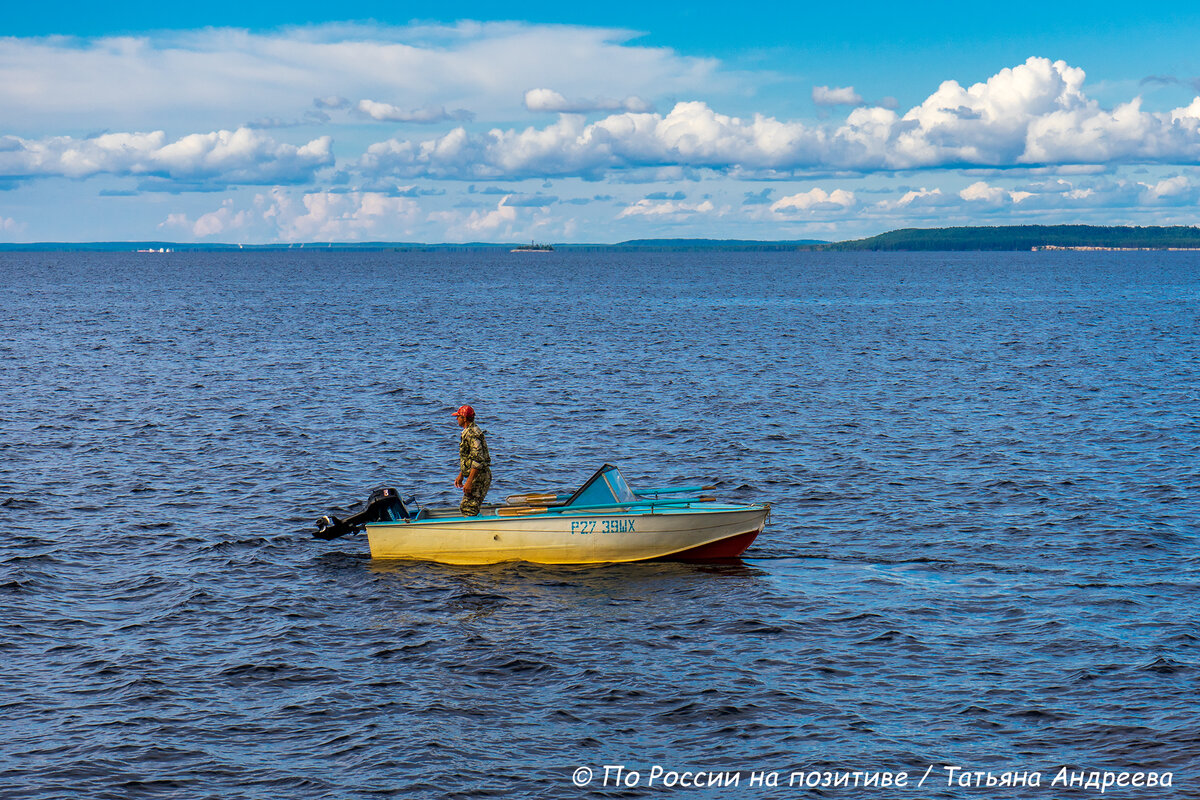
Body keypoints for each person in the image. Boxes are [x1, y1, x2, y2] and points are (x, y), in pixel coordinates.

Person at [452, 404, 492, 516]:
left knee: (468, 508)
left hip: (480, 476)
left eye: (458, 416)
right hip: (475, 474)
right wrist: (461, 475)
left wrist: (469, 481)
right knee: (466, 506)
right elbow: (470, 457)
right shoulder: (468, 431)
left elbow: (478, 460)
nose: (456, 419)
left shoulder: (472, 433)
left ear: (464, 419)